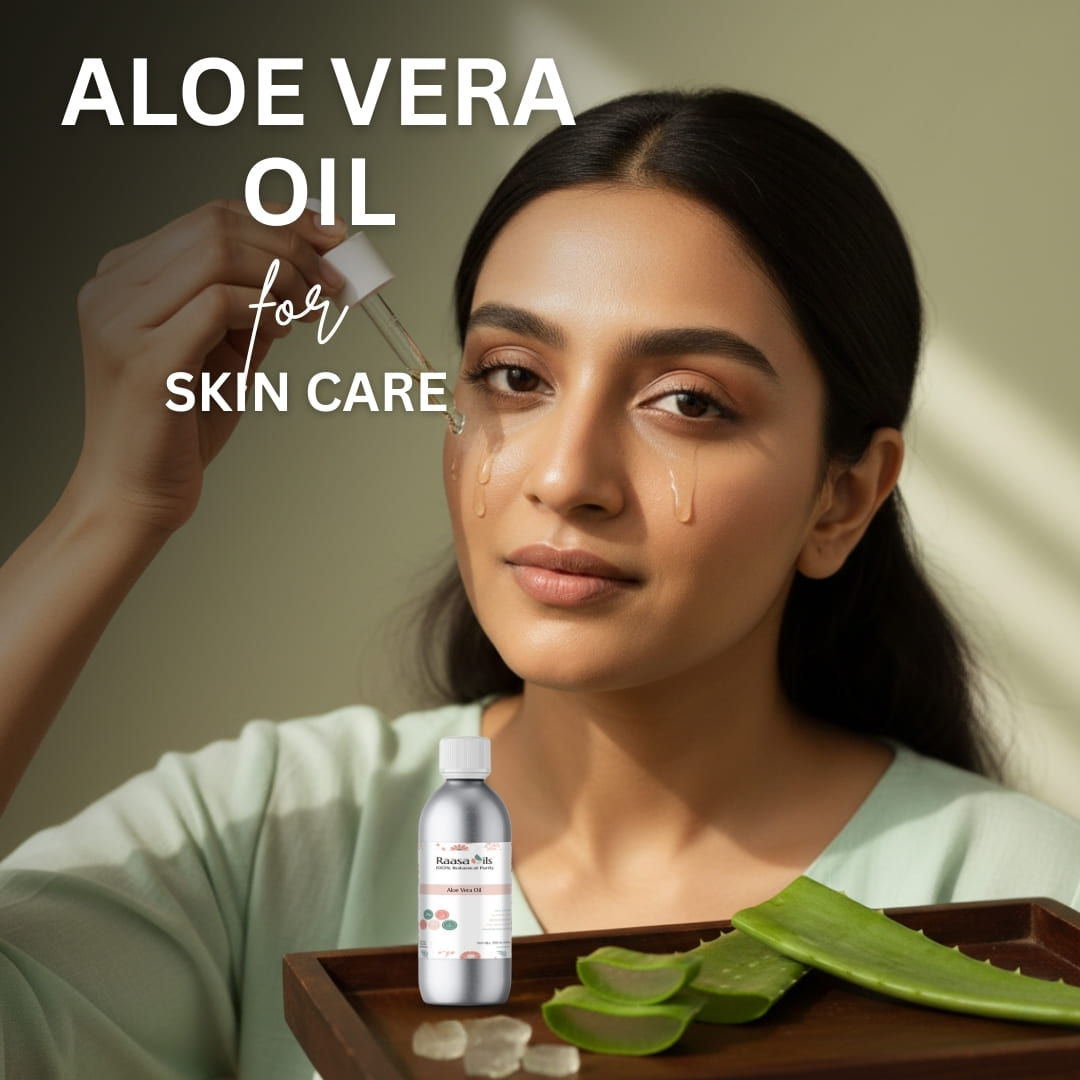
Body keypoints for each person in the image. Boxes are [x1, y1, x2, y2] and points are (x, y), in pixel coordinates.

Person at [2, 88, 1078, 1078]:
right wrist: (105, 510)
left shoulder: (1025, 901)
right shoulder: (261, 834)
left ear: (842, 498)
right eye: (514, 376)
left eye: (689, 401)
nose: (565, 479)